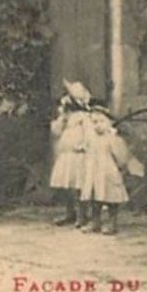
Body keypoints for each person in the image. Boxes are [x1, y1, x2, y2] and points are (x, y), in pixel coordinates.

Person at [80, 108, 137, 235]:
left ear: (109, 123)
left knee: (111, 197)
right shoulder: (91, 138)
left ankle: (112, 222)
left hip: (108, 170)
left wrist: (121, 167)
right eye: (94, 122)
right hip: (94, 171)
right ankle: (96, 221)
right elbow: (86, 152)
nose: (98, 125)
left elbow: (121, 156)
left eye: (101, 121)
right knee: (95, 197)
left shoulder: (112, 138)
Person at [48, 82, 96, 228]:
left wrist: (84, 145)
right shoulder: (64, 118)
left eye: (67, 106)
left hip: (78, 154)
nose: (64, 109)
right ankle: (70, 212)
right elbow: (56, 132)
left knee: (79, 185)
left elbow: (89, 133)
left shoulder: (84, 117)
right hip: (66, 154)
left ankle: (82, 215)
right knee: (67, 185)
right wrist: (61, 119)